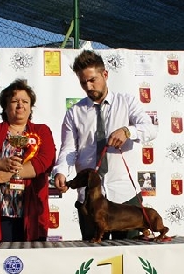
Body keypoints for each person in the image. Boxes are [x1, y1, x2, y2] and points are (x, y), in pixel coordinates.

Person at [53, 49, 158, 240]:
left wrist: (128, 131)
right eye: (83, 82)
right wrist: (61, 171)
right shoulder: (74, 112)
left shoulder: (127, 102)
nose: (88, 86)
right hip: (89, 201)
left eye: (92, 80)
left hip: (125, 196)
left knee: (130, 255)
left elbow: (151, 129)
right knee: (92, 255)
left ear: (105, 74)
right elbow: (68, 149)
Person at [0, 79, 56, 243]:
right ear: (5, 106)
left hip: (33, 213)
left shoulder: (42, 131)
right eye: (15, 101)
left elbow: (45, 161)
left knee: (33, 257)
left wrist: (10, 174)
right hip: (2, 213)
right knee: (6, 259)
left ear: (31, 107)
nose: (20, 105)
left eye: (25, 101)